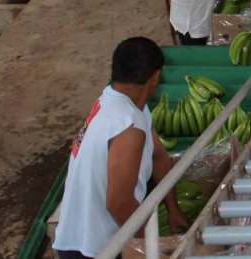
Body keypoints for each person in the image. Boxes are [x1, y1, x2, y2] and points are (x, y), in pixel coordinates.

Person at [52, 37, 187, 259]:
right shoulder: (127, 126)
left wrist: (173, 208)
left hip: (92, 236)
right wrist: (150, 248)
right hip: (91, 247)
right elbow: (118, 203)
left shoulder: (124, 104)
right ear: (155, 76)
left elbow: (158, 156)